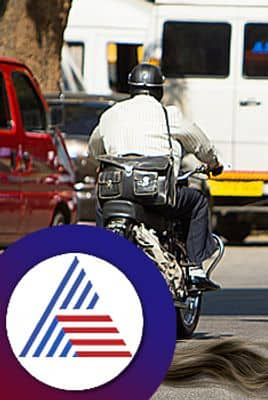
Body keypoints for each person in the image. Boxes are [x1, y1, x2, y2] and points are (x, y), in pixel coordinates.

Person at [89, 63, 224, 291]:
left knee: (102, 205)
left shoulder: (110, 114)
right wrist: (214, 163)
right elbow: (201, 144)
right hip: (155, 195)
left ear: (131, 88)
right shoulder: (168, 114)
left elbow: (94, 151)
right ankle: (194, 267)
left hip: (115, 194)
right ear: (159, 90)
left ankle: (101, 258)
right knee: (197, 201)